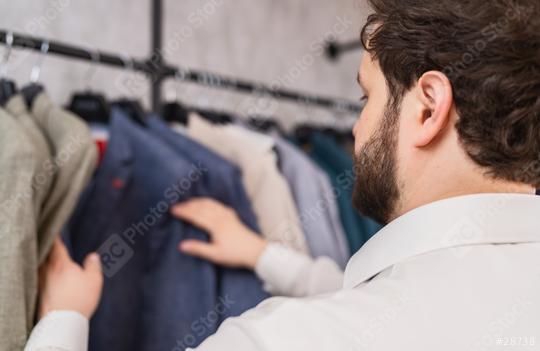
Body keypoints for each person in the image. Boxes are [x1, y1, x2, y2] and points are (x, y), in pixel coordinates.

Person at [25, 0, 540, 349]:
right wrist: (261, 254)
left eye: (367, 98)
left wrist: (63, 320)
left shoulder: (282, 340)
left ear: (428, 110)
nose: (357, 129)